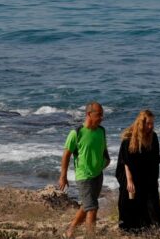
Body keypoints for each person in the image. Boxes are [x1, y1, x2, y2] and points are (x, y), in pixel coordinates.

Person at [115, 109, 160, 234]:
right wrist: (129, 181)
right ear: (141, 123)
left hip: (147, 173)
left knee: (153, 203)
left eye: (152, 123)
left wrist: (155, 179)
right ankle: (130, 230)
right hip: (129, 172)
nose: (151, 126)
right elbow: (125, 162)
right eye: (148, 123)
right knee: (129, 201)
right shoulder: (128, 139)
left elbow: (155, 160)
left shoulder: (153, 137)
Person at [59, 102, 110, 238]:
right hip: (83, 176)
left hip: (98, 175)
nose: (101, 118)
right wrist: (63, 176)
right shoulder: (76, 133)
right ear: (89, 114)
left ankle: (70, 229)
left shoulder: (101, 131)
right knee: (92, 208)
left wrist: (106, 160)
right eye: (99, 115)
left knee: (87, 205)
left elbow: (104, 149)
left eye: (102, 115)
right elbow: (66, 155)